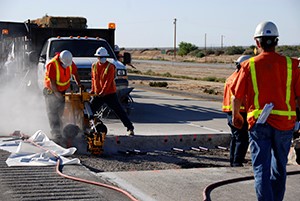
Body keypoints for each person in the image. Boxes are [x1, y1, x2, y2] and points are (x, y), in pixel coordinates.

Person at [231, 21, 300, 201]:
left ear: (257, 42)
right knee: (280, 167)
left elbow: (236, 96)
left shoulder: (249, 65)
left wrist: (236, 115)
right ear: (276, 41)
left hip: (259, 124)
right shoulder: (292, 65)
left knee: (261, 168)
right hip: (285, 125)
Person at [90, 47, 134, 135]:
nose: (102, 59)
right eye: (100, 57)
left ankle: (130, 128)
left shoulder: (111, 66)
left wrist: (103, 92)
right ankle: (85, 128)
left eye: (103, 57)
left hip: (109, 94)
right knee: (89, 111)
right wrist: (93, 90)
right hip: (98, 94)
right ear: (97, 57)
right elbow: (94, 79)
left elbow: (108, 81)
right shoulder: (94, 66)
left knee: (119, 111)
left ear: (106, 57)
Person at [43, 50, 82, 142]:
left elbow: (75, 73)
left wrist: (79, 84)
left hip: (62, 91)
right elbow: (52, 82)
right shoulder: (52, 64)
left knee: (60, 112)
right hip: (51, 91)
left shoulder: (69, 62)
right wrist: (56, 93)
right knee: (52, 113)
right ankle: (56, 134)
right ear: (60, 60)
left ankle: (60, 132)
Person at [222, 55, 251, 167]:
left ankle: (233, 162)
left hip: (231, 112)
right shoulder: (240, 79)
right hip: (239, 112)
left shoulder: (231, 77)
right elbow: (240, 97)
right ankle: (237, 163)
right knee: (242, 139)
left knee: (236, 137)